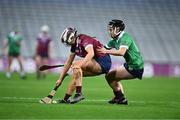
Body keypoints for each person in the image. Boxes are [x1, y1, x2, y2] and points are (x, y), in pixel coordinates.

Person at [55, 27, 111, 104]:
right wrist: (60, 79)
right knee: (75, 73)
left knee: (76, 65)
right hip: (95, 63)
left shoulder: (84, 39)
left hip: (103, 62)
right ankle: (66, 99)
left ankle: (79, 93)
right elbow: (68, 63)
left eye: (70, 42)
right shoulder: (74, 46)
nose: (70, 45)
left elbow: (91, 53)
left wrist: (79, 65)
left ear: (73, 36)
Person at [97, 19, 144, 105]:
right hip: (129, 64)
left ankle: (120, 98)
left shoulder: (125, 37)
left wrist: (106, 51)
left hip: (136, 67)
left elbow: (121, 52)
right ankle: (119, 97)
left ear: (117, 29)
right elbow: (101, 49)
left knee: (109, 76)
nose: (109, 32)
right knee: (111, 77)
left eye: (111, 29)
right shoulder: (114, 41)